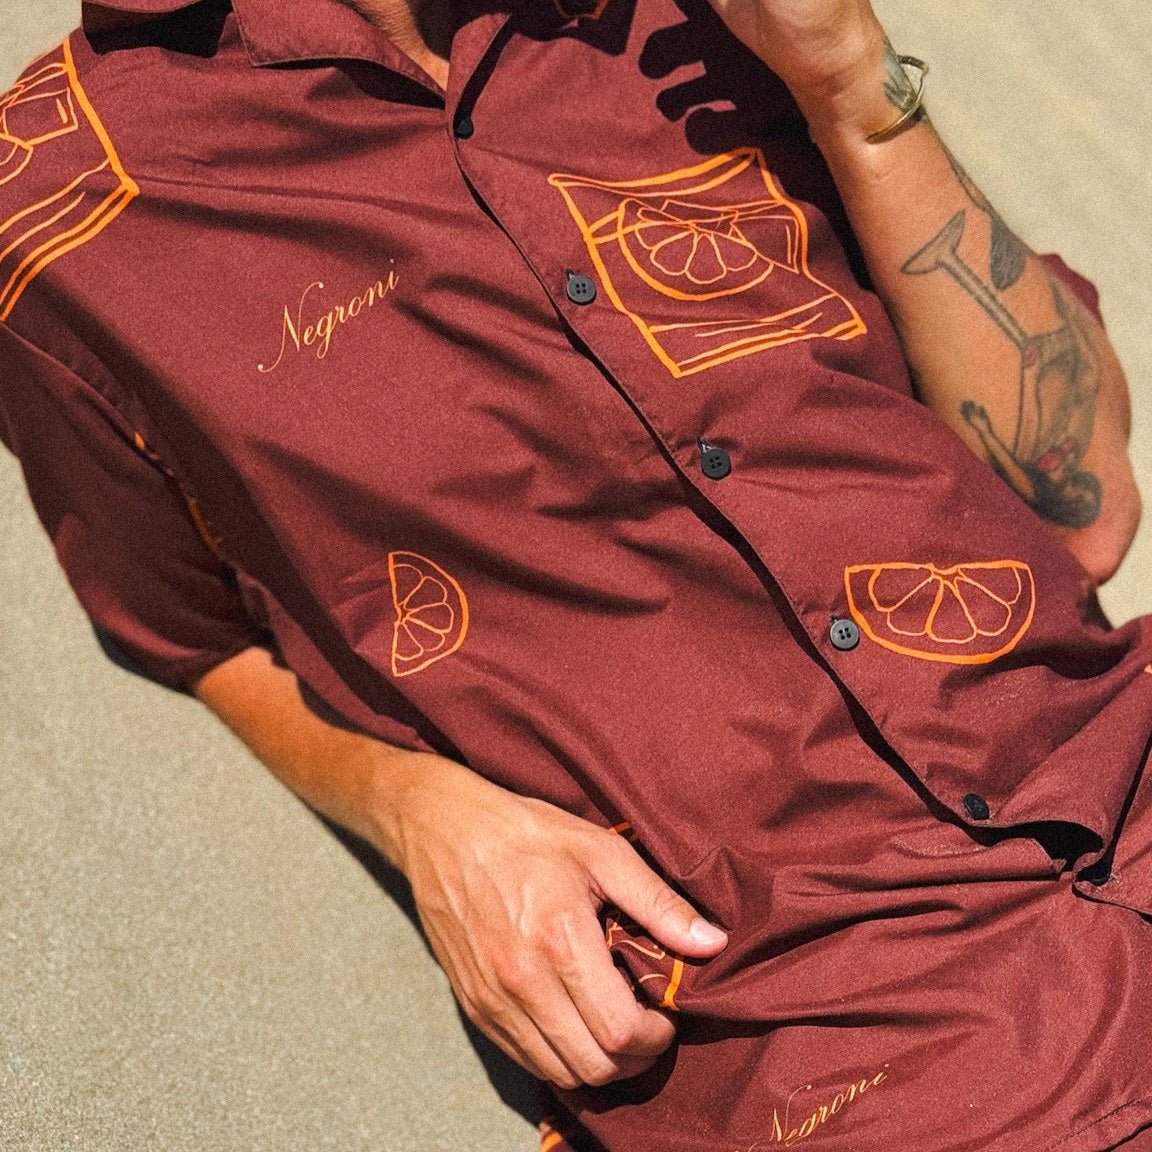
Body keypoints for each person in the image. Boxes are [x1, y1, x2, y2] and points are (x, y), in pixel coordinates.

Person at [2, 0, 1151, 1147]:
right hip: (819, 1023)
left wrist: (854, 86)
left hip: (1112, 766)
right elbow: (191, 631)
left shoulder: (699, 19)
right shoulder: (62, 199)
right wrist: (417, 811)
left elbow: (1083, 504)